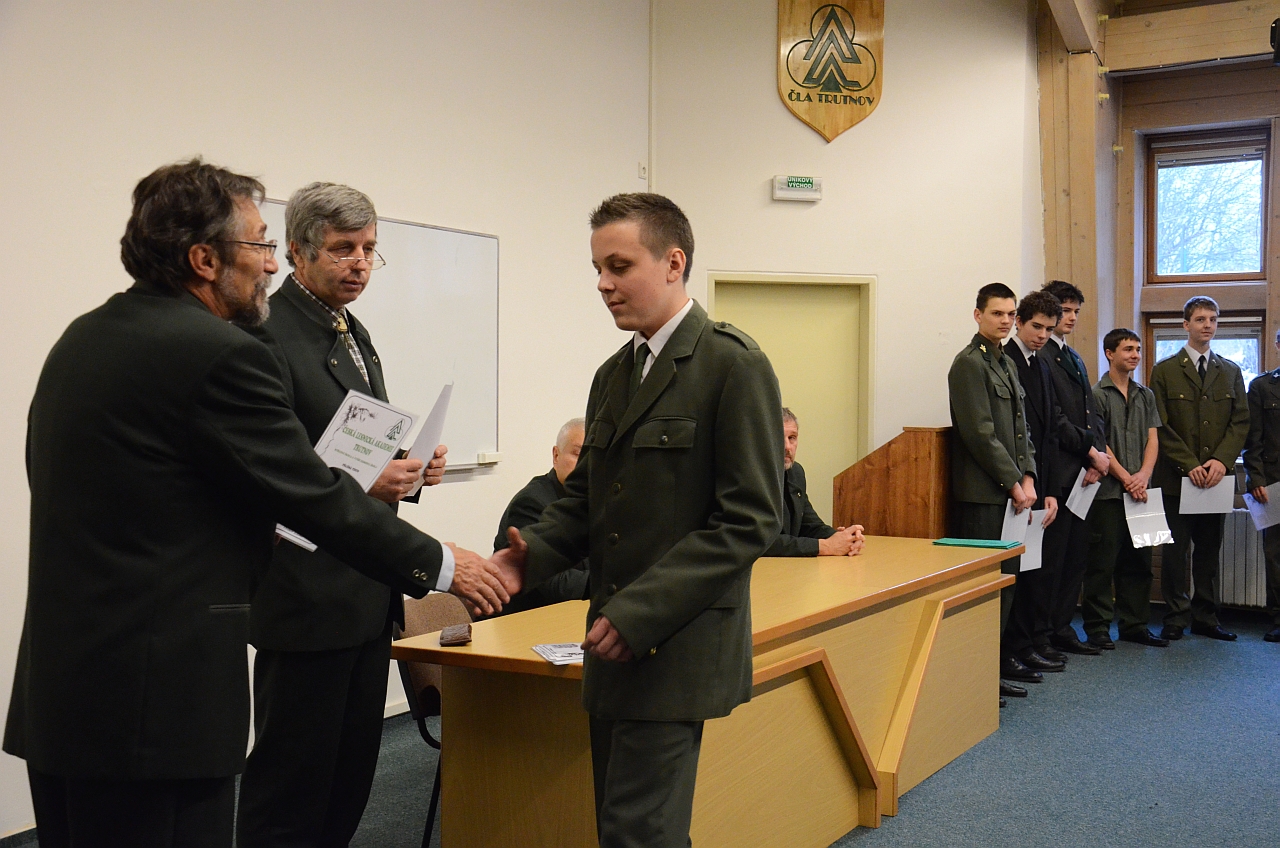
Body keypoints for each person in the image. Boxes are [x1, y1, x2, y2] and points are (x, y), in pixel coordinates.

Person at [2, 160, 515, 848]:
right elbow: (310, 493)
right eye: (261, 245)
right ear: (204, 259)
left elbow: (125, 495)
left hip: (69, 693)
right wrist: (445, 565)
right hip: (157, 705)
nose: (271, 265)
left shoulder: (84, 337)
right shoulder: (218, 352)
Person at [492, 193, 784, 848]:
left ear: (673, 262)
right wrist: (529, 555)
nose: (603, 283)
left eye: (619, 266)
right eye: (598, 268)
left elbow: (750, 519)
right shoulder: (614, 374)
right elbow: (586, 500)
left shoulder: (732, 364)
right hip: (611, 640)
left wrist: (638, 614)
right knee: (624, 826)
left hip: (672, 639)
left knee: (638, 832)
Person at [235, 183, 448, 847]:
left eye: (369, 249)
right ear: (298, 251)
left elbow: (356, 445)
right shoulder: (266, 334)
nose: (359, 264)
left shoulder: (350, 329)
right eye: (342, 249)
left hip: (361, 591)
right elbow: (271, 471)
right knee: (290, 790)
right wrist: (368, 480)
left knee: (349, 778)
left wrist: (410, 470)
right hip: (306, 597)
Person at [947, 283, 1038, 704]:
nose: (1004, 320)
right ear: (978, 315)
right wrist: (1014, 483)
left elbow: (1022, 430)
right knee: (984, 591)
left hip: (1013, 493)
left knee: (1007, 585)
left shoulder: (1006, 362)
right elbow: (980, 435)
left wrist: (1030, 476)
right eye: (997, 313)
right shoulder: (969, 364)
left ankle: (993, 672)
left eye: (1010, 314)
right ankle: (975, 681)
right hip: (986, 497)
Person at [1151, 296, 1248, 642]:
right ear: (1186, 325)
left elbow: (1241, 422)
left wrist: (1221, 460)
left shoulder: (1230, 371)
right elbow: (1160, 424)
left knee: (1208, 552)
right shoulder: (1164, 370)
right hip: (1177, 478)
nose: (1207, 325)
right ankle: (1175, 616)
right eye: (1200, 319)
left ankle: (1206, 617)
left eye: (1213, 319)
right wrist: (1189, 464)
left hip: (1216, 479)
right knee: (1175, 552)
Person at [1081, 329, 1168, 648]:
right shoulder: (1096, 394)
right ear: (1109, 353)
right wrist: (1126, 479)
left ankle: (1135, 624)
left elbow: (1153, 438)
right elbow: (1099, 442)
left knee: (1141, 563)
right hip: (1108, 493)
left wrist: (1143, 475)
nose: (1135, 355)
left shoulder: (1146, 394)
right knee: (1102, 564)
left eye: (1138, 349)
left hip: (1143, 492)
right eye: (1128, 349)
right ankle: (1098, 628)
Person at [1039, 280, 1109, 657]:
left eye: (1076, 311)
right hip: (1060, 471)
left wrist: (1098, 455)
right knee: (1053, 559)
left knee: (1076, 558)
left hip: (1084, 474)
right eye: (1065, 310)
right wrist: (1090, 452)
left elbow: (1091, 413)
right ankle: (1046, 630)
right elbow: (1056, 419)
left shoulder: (1075, 356)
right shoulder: (1042, 355)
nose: (1071, 318)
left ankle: (1063, 625)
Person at [1001, 291, 1064, 674]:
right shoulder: (1005, 360)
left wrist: (1051, 490)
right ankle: (1009, 650)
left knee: (1033, 571)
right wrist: (1021, 482)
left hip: (1038, 483)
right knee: (1013, 575)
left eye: (1049, 329)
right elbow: (1010, 434)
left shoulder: (1041, 364)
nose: (1042, 335)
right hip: (1014, 485)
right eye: (1036, 327)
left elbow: (1049, 433)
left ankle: (1025, 645)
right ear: (1019, 322)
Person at [490, 417, 591, 614]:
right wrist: (612, 585)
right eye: (578, 454)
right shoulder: (531, 502)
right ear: (556, 455)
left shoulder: (595, 500)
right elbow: (552, 584)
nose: (585, 465)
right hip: (524, 620)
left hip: (574, 614)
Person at [764, 407, 864, 557]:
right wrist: (824, 546)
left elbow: (809, 525)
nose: (787, 447)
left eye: (792, 438)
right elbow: (759, 541)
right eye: (779, 438)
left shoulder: (795, 472)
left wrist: (844, 538)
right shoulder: (750, 477)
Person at [1243, 329, 1280, 643]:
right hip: (1273, 481)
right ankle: (1279, 618)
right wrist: (1255, 478)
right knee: (1275, 554)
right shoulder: (1262, 386)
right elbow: (1252, 440)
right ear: (1278, 345)